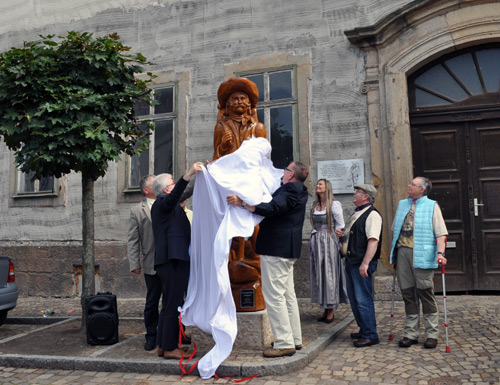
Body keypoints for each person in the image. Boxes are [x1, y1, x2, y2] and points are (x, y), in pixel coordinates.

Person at [226, 161, 309, 358]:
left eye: (286, 169)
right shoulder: (298, 190)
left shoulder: (289, 190)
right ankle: (294, 338)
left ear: (291, 175)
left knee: (274, 296)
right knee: (287, 295)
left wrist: (244, 204)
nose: (283, 172)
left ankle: (284, 342)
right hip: (286, 248)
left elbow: (273, 207)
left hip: (276, 248)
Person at [151, 162, 203, 360]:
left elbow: (184, 192)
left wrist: (201, 174)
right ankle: (171, 347)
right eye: (172, 183)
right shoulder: (162, 203)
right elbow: (176, 195)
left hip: (172, 260)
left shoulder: (168, 203)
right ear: (165, 189)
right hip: (172, 260)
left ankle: (164, 345)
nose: (174, 185)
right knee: (173, 305)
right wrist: (188, 173)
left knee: (169, 304)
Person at [390, 177, 448, 349]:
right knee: (408, 294)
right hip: (403, 253)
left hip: (422, 254)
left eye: (413, 185)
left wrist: (440, 253)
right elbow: (396, 230)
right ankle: (410, 333)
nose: (409, 186)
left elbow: (441, 234)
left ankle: (432, 334)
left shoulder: (432, 206)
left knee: (425, 293)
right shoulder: (402, 204)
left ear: (422, 189)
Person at [337, 184, 382, 348]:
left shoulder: (372, 215)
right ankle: (365, 329)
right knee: (355, 299)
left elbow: (373, 241)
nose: (354, 194)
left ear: (366, 196)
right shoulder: (358, 213)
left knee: (363, 299)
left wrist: (365, 263)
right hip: (351, 261)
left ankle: (371, 335)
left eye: (358, 192)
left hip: (361, 263)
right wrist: (342, 235)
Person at [127, 174, 161, 352]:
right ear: (146, 190)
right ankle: (151, 336)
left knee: (176, 301)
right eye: (155, 183)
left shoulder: (169, 203)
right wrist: (134, 263)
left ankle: (178, 333)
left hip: (171, 261)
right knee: (152, 302)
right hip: (151, 262)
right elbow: (133, 239)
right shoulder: (137, 210)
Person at [309, 179, 348, 324]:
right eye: (317, 184)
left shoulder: (334, 205)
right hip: (317, 240)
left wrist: (338, 234)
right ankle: (324, 307)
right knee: (320, 273)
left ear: (327, 188)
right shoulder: (315, 205)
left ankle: (331, 309)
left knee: (329, 273)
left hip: (329, 240)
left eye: (320, 184)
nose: (317, 186)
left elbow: (341, 223)